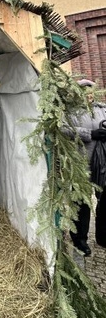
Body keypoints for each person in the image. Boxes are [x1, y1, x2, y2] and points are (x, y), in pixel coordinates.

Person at [66, 78, 106, 256]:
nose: (88, 94)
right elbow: (63, 129)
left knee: (104, 200)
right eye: (83, 90)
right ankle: (80, 240)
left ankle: (103, 236)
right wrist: (90, 134)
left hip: (102, 164)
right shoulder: (71, 112)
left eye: (90, 90)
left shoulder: (102, 109)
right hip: (80, 164)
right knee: (81, 203)